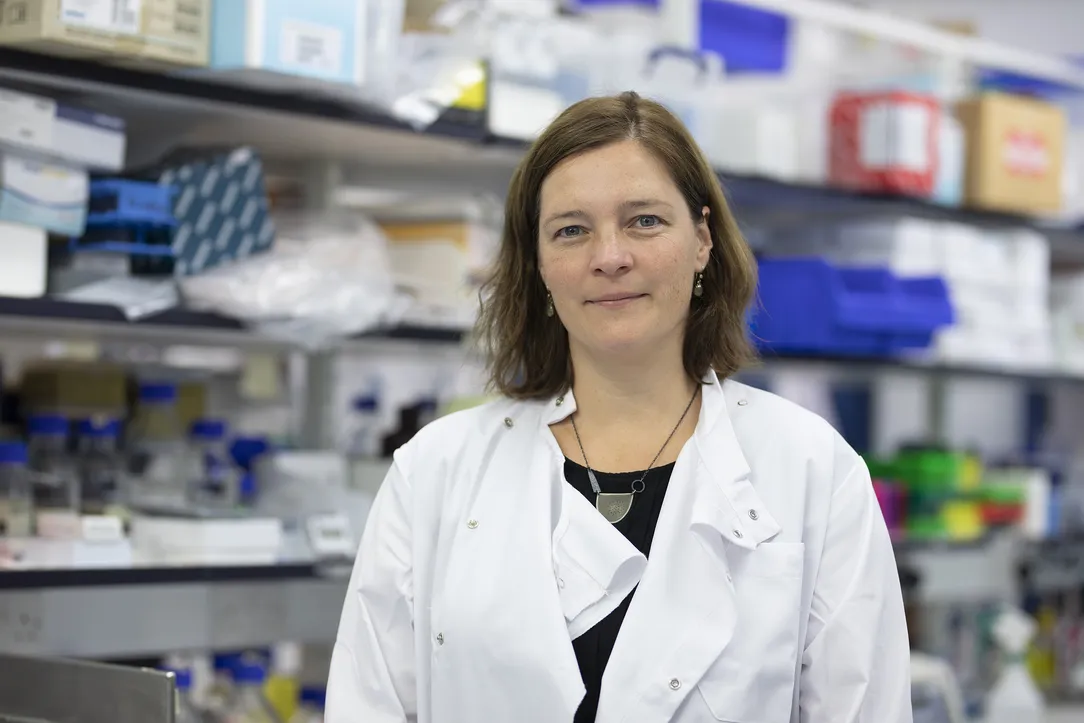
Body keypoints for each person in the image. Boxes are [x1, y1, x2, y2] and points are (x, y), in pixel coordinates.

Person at [326, 92, 912, 723]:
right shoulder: (436, 471)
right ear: (540, 263)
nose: (609, 257)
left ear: (702, 241)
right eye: (571, 230)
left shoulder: (811, 468)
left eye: (644, 221)